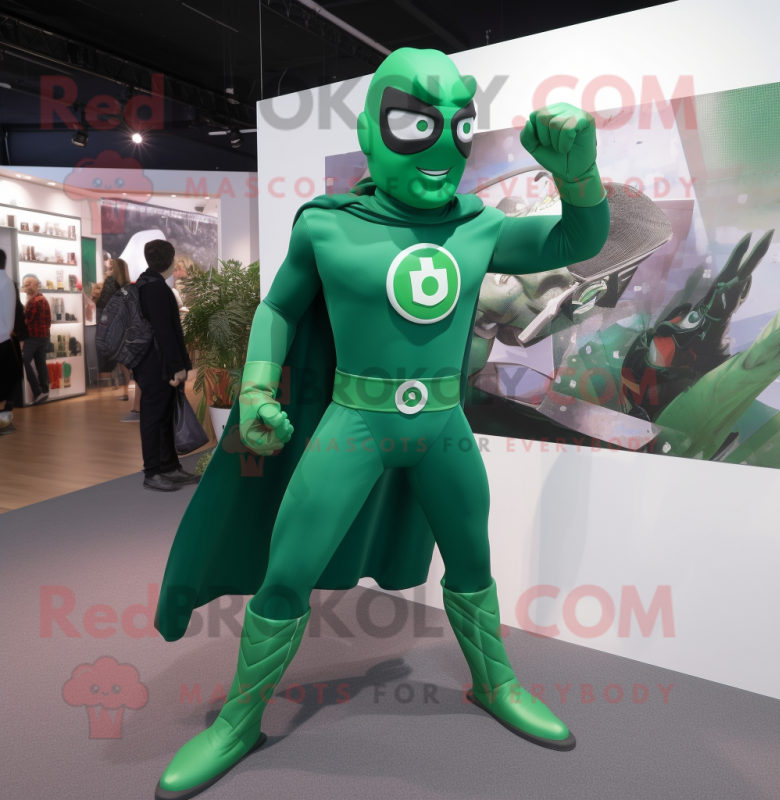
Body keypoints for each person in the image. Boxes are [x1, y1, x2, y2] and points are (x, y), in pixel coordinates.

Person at [154, 49, 610, 799]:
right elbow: (279, 307)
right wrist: (260, 388)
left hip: (441, 427)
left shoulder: (479, 224)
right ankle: (239, 719)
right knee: (288, 568)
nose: (441, 147)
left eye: (459, 126)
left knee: (472, 559)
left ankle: (494, 682)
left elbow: (574, 244)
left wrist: (580, 176)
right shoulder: (328, 225)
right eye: (414, 123)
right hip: (355, 421)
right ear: (369, 131)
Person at [134, 239, 198, 491]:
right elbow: (166, 332)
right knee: (154, 418)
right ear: (171, 261)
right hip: (157, 365)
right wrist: (177, 366)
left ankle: (169, 467)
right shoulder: (156, 288)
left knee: (162, 417)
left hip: (148, 363)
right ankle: (152, 472)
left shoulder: (144, 284)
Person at [93, 257, 140, 420]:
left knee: (118, 359)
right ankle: (128, 392)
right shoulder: (128, 285)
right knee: (124, 360)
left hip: (112, 326)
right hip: (125, 325)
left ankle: (126, 392)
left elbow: (103, 304)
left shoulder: (110, 282)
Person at [0, 249, 22, 435]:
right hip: (5, 339)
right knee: (8, 379)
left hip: (3, 340)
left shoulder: (4, 283)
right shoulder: (7, 283)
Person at [22, 275, 51, 404]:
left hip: (33, 337)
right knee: (41, 364)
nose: (27, 286)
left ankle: (37, 391)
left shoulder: (34, 301)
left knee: (23, 361)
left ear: (37, 284)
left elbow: (27, 320)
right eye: (25, 284)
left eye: (30, 283)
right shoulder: (42, 299)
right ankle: (45, 391)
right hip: (43, 337)